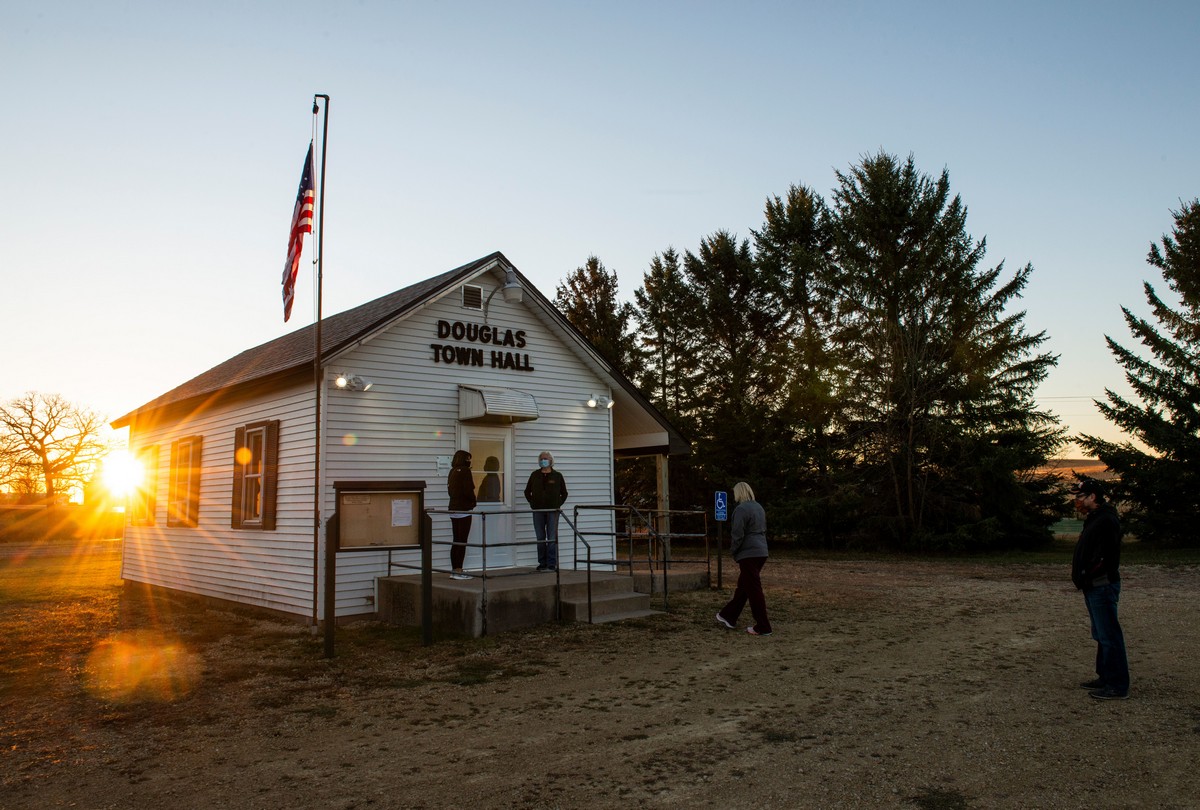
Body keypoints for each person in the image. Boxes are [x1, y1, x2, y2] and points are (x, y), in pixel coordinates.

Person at [1070, 477, 1129, 700]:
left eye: (1080, 497)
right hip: (1094, 585)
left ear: (1093, 497)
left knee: (1109, 634)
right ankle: (1105, 676)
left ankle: (1117, 684)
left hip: (1101, 585)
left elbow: (1106, 556)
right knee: (1101, 634)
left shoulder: (1106, 520)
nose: (1077, 501)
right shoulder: (1096, 518)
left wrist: (1088, 574)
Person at [716, 481, 772, 636]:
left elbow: (738, 534)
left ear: (738, 493)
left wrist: (734, 551)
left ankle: (763, 626)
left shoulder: (741, 509)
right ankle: (728, 616)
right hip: (761, 551)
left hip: (748, 553)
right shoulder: (759, 507)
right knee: (745, 586)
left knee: (753, 589)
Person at [523, 451, 567, 571]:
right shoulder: (534, 475)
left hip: (553, 511)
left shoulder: (557, 476)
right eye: (541, 458)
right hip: (538, 511)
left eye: (546, 458)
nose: (543, 460)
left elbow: (564, 493)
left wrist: (558, 504)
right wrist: (532, 503)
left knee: (552, 537)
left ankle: (551, 564)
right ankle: (542, 563)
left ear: (551, 460)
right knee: (540, 537)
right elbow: (527, 492)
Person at [446, 449, 476, 580]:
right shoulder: (465, 471)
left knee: (456, 540)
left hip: (453, 508)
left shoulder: (452, 471)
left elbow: (449, 490)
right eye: (468, 458)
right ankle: (459, 570)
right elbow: (468, 489)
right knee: (462, 541)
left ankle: (455, 569)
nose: (469, 461)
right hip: (464, 509)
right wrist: (473, 502)